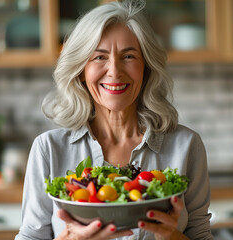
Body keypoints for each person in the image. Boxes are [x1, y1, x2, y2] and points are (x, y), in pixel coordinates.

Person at [15, 0, 212, 239]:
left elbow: (201, 234)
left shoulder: (186, 146)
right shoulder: (48, 150)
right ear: (81, 70)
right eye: (99, 58)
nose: (115, 71)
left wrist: (170, 236)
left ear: (146, 67)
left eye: (128, 56)